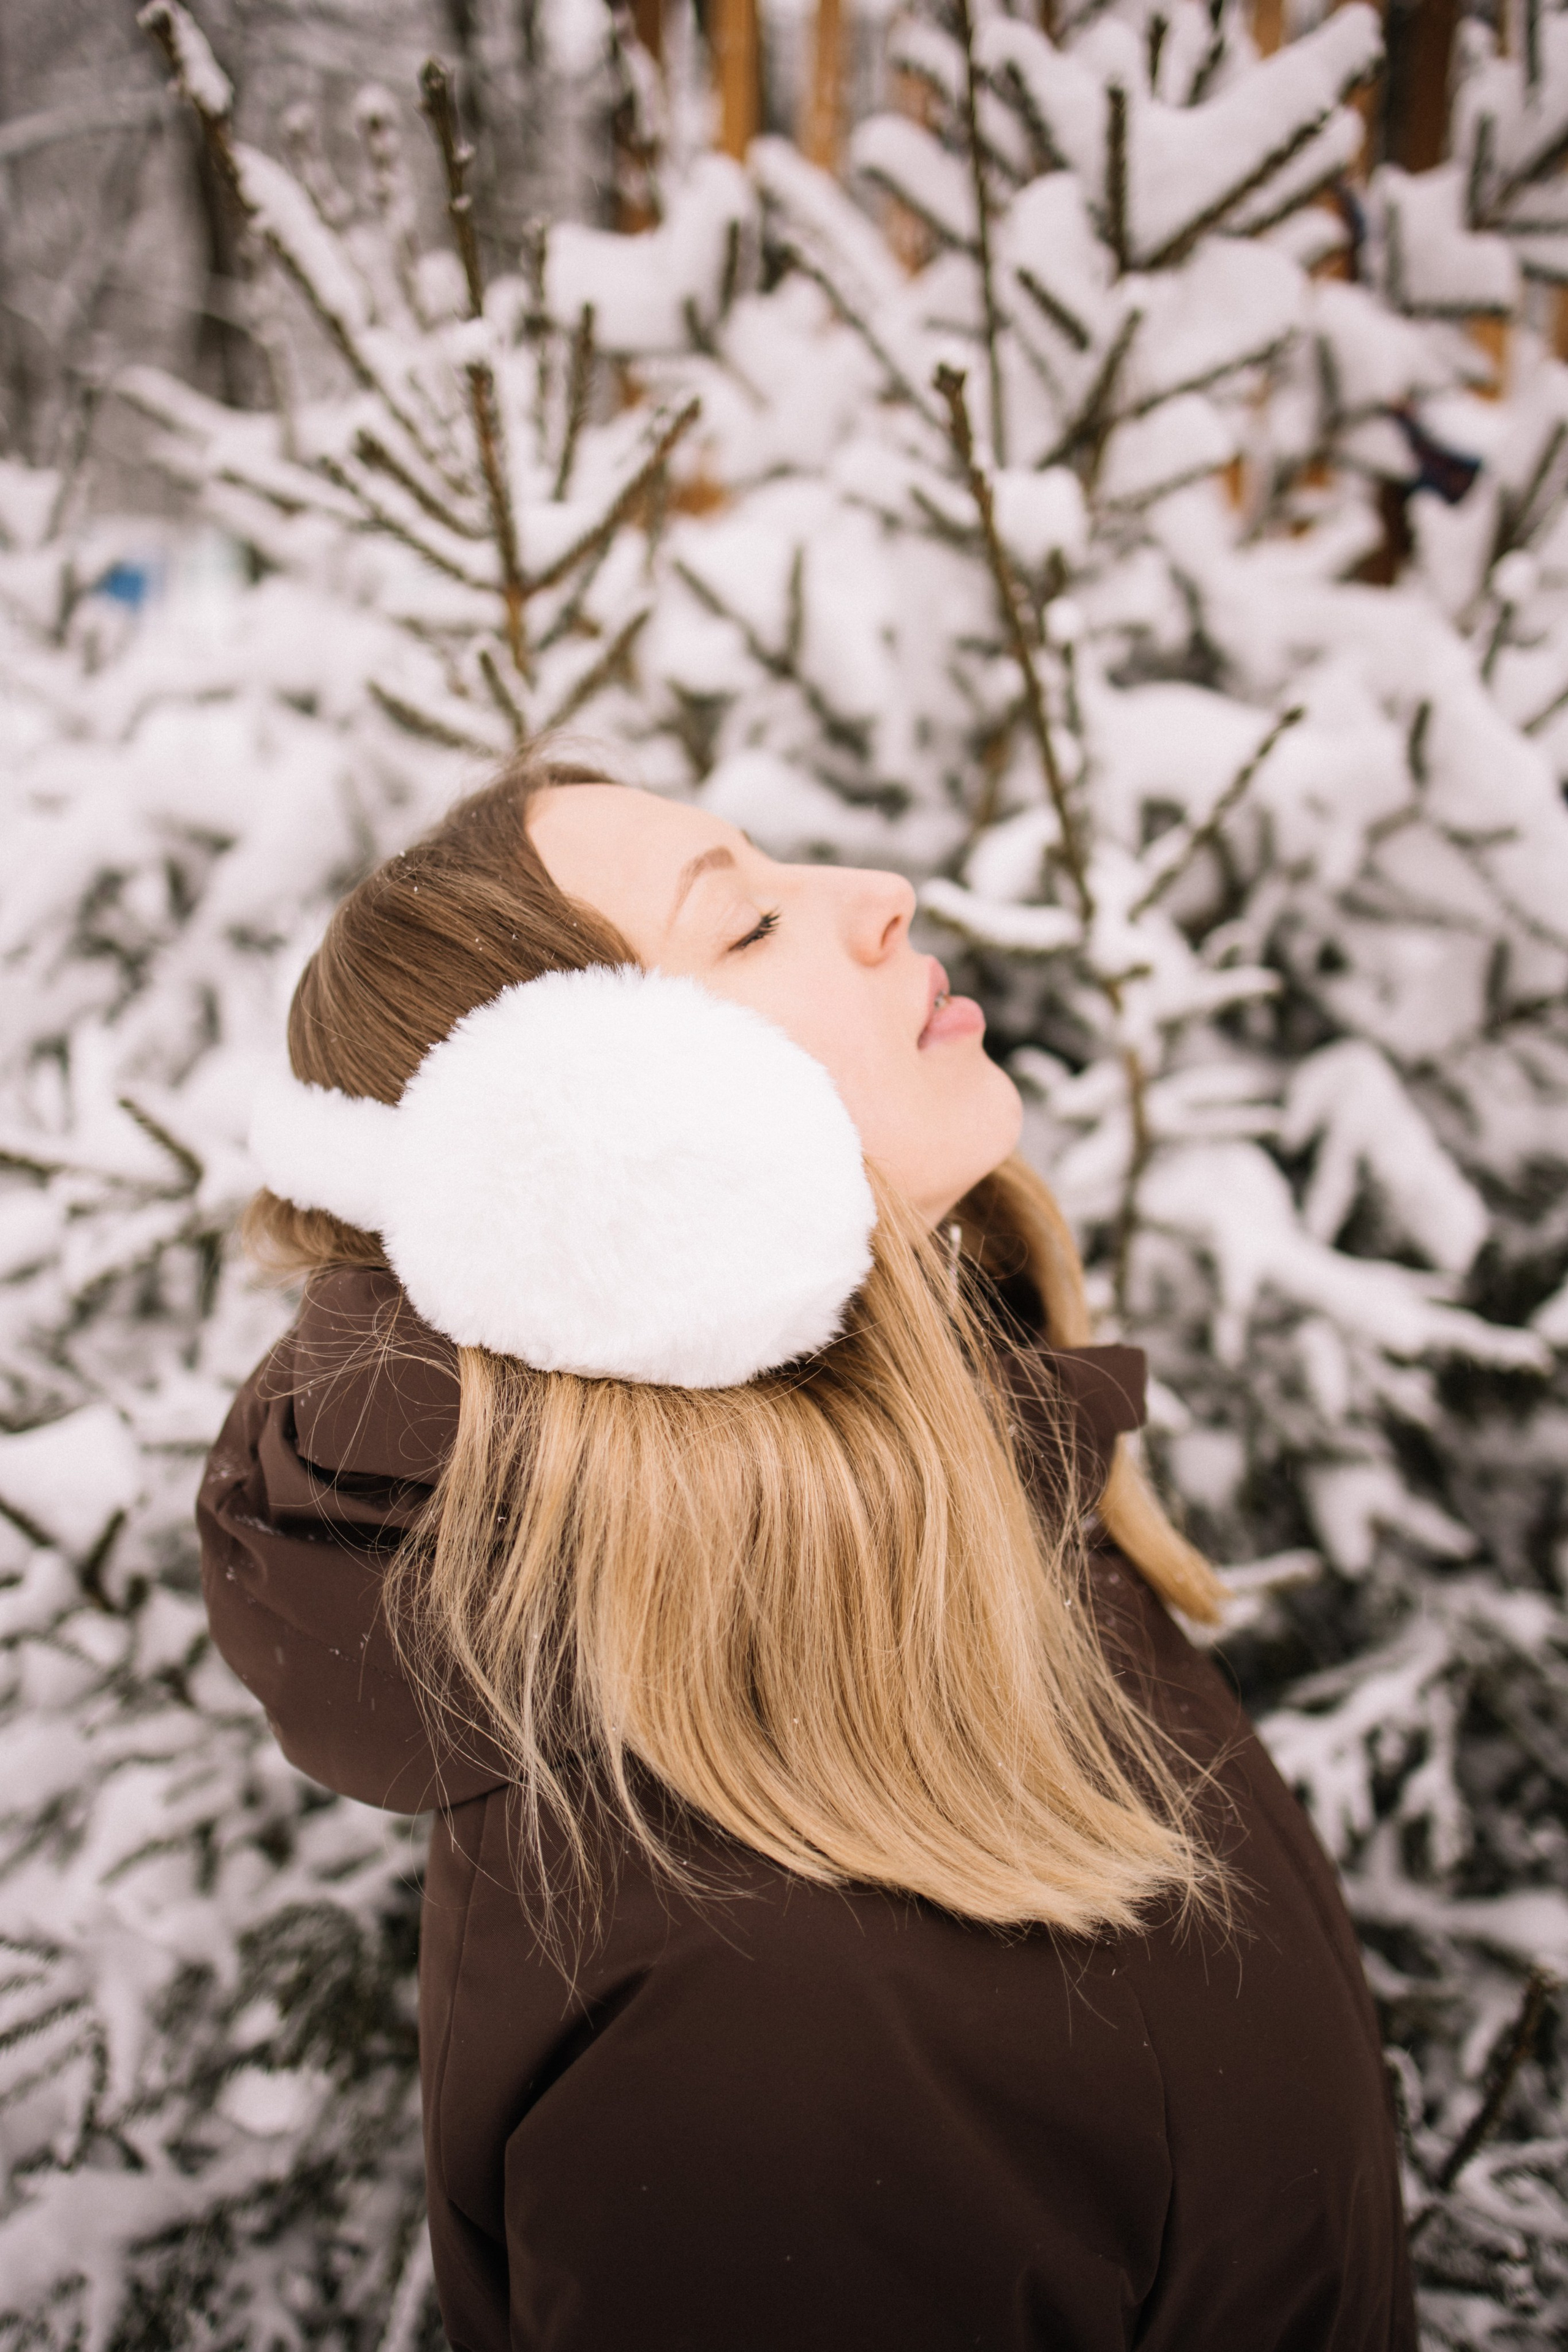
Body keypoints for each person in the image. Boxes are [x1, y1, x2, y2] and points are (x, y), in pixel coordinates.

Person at [198, 749, 1416, 2351]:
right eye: (749, 924)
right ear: (605, 1158)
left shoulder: (975, 1538)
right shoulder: (743, 2026)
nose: (879, 893)